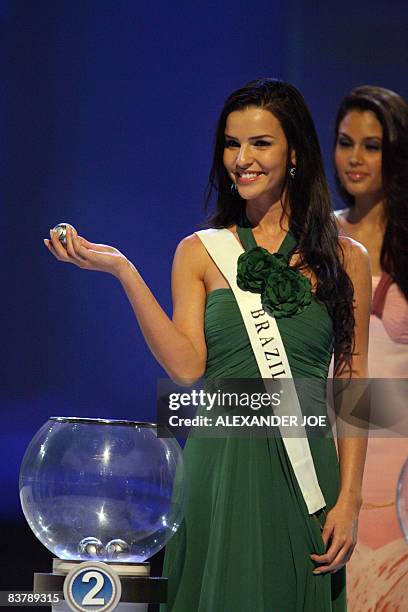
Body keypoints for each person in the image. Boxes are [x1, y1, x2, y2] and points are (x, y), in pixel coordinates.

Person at [45, 78, 371, 611]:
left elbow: (354, 380)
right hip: (219, 466)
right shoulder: (199, 252)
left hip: (308, 470)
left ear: (295, 153)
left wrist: (352, 497)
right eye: (230, 143)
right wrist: (124, 271)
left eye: (260, 143)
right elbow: (186, 370)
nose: (241, 159)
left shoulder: (347, 257)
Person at [333, 85, 408, 609]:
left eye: (372, 145)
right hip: (330, 452)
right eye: (344, 142)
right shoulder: (318, 239)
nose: (355, 158)